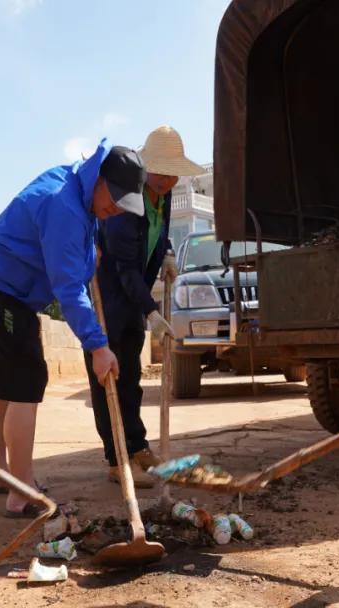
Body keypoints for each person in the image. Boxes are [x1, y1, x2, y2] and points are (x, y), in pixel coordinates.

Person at [0, 140, 145, 516]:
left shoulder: (74, 189)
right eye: (115, 200)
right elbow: (68, 289)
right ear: (101, 179)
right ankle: (22, 489)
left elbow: (70, 254)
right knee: (25, 384)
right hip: (0, 295)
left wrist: (88, 254)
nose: (114, 211)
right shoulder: (65, 207)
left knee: (0, 387)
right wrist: (97, 346)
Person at [85, 125, 205, 487]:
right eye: (162, 170)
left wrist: (167, 252)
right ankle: (116, 457)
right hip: (111, 296)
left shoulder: (162, 196)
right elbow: (122, 267)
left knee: (132, 380)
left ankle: (137, 447)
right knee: (109, 381)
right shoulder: (126, 200)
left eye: (173, 172)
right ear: (146, 166)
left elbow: (159, 231)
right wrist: (151, 310)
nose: (169, 179)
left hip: (134, 295)